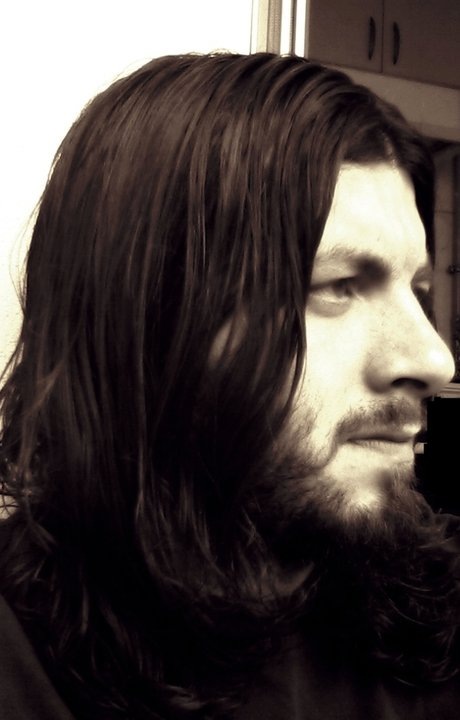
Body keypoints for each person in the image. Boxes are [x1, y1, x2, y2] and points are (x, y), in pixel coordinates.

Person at [0, 52, 459, 720]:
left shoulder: (433, 610)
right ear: (149, 318)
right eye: (337, 285)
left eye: (417, 290)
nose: (434, 359)